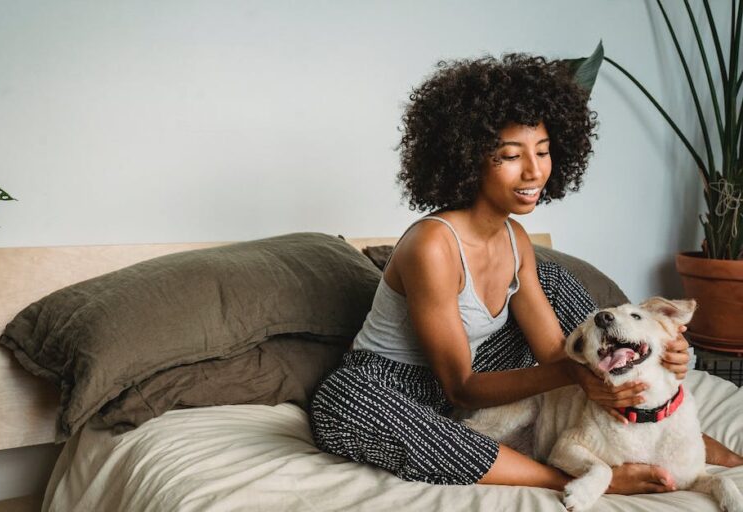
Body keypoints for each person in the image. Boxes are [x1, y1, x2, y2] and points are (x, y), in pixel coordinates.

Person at [310, 53, 741, 492]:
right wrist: (579, 372)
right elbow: (460, 387)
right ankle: (581, 478)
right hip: (393, 386)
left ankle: (659, 419)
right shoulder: (432, 246)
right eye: (511, 155)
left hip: (481, 372)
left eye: (543, 151)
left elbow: (559, 353)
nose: (534, 171)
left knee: (553, 282)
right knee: (345, 405)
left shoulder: (516, 239)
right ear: (468, 158)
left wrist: (656, 347)